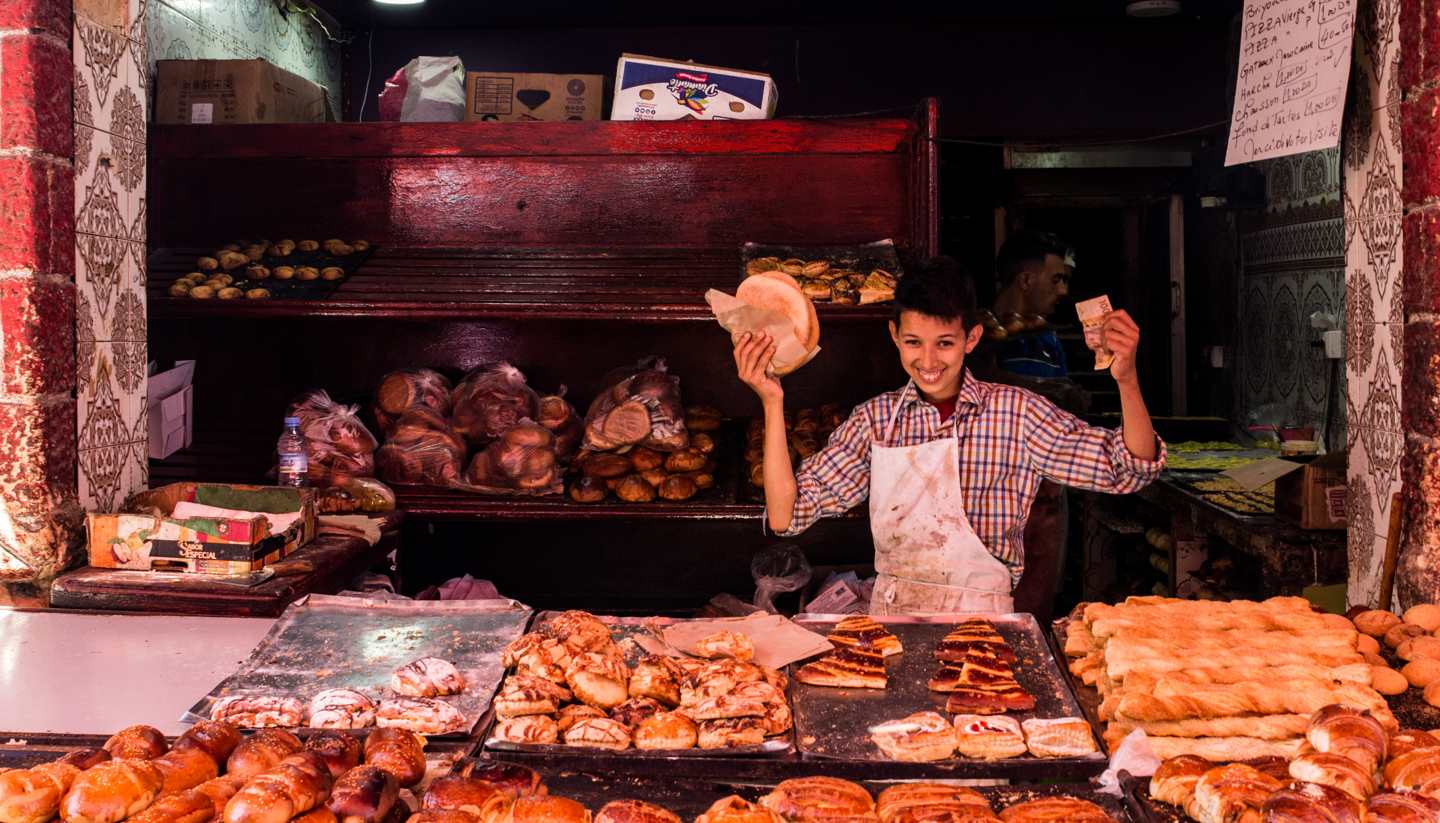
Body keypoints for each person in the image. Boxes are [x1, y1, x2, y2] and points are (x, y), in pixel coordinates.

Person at [731, 256, 1165, 615]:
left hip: (987, 629)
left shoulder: (1016, 413)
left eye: (945, 343)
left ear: (971, 338)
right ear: (894, 337)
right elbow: (789, 516)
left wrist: (1126, 378)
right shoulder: (876, 421)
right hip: (892, 627)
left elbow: (1127, 469)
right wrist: (771, 402)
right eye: (914, 342)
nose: (928, 361)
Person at [991, 230, 1072, 379]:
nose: (1063, 291)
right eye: (1055, 280)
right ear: (1026, 280)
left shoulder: (1049, 339)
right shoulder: (980, 335)